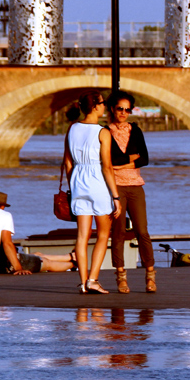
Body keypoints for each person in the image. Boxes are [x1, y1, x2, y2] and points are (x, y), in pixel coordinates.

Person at [63, 91, 122, 294]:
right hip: (98, 184)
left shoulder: (72, 129)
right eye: (103, 103)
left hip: (78, 182)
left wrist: (74, 185)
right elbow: (107, 167)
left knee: (82, 236)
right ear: (96, 106)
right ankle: (93, 280)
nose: (104, 106)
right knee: (104, 233)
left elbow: (67, 163)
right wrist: (116, 196)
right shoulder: (102, 132)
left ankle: (82, 282)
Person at [104, 89, 157, 294]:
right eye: (120, 109)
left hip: (136, 186)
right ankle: (121, 277)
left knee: (142, 231)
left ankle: (150, 276)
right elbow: (109, 161)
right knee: (118, 233)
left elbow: (144, 159)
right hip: (115, 188)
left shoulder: (135, 130)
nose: (124, 113)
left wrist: (119, 165)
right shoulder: (105, 132)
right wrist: (129, 160)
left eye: (128, 109)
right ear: (112, 109)